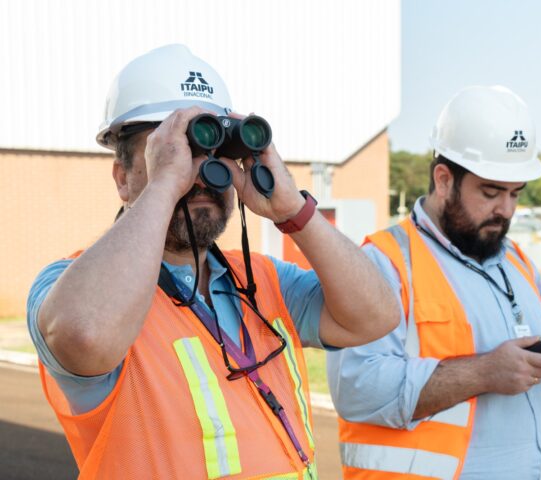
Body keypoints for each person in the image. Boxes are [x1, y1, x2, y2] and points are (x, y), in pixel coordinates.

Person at [26, 44, 399, 479]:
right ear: (123, 178)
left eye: (213, 150)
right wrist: (167, 184)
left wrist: (292, 209)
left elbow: (377, 316)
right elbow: (85, 336)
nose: (200, 173)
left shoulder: (261, 280)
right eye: (171, 149)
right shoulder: (67, 286)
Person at [327, 85, 541, 480]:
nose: (505, 210)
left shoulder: (518, 262)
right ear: (444, 179)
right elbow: (356, 389)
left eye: (515, 194)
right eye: (490, 192)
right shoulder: (385, 263)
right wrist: (483, 372)